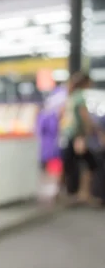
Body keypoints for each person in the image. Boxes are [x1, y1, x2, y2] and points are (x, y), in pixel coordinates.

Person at [60, 71, 101, 206]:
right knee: (91, 164)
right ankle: (84, 194)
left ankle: (72, 194)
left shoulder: (70, 96)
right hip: (78, 137)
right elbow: (85, 118)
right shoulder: (80, 97)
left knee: (71, 165)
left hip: (68, 135)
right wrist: (95, 131)